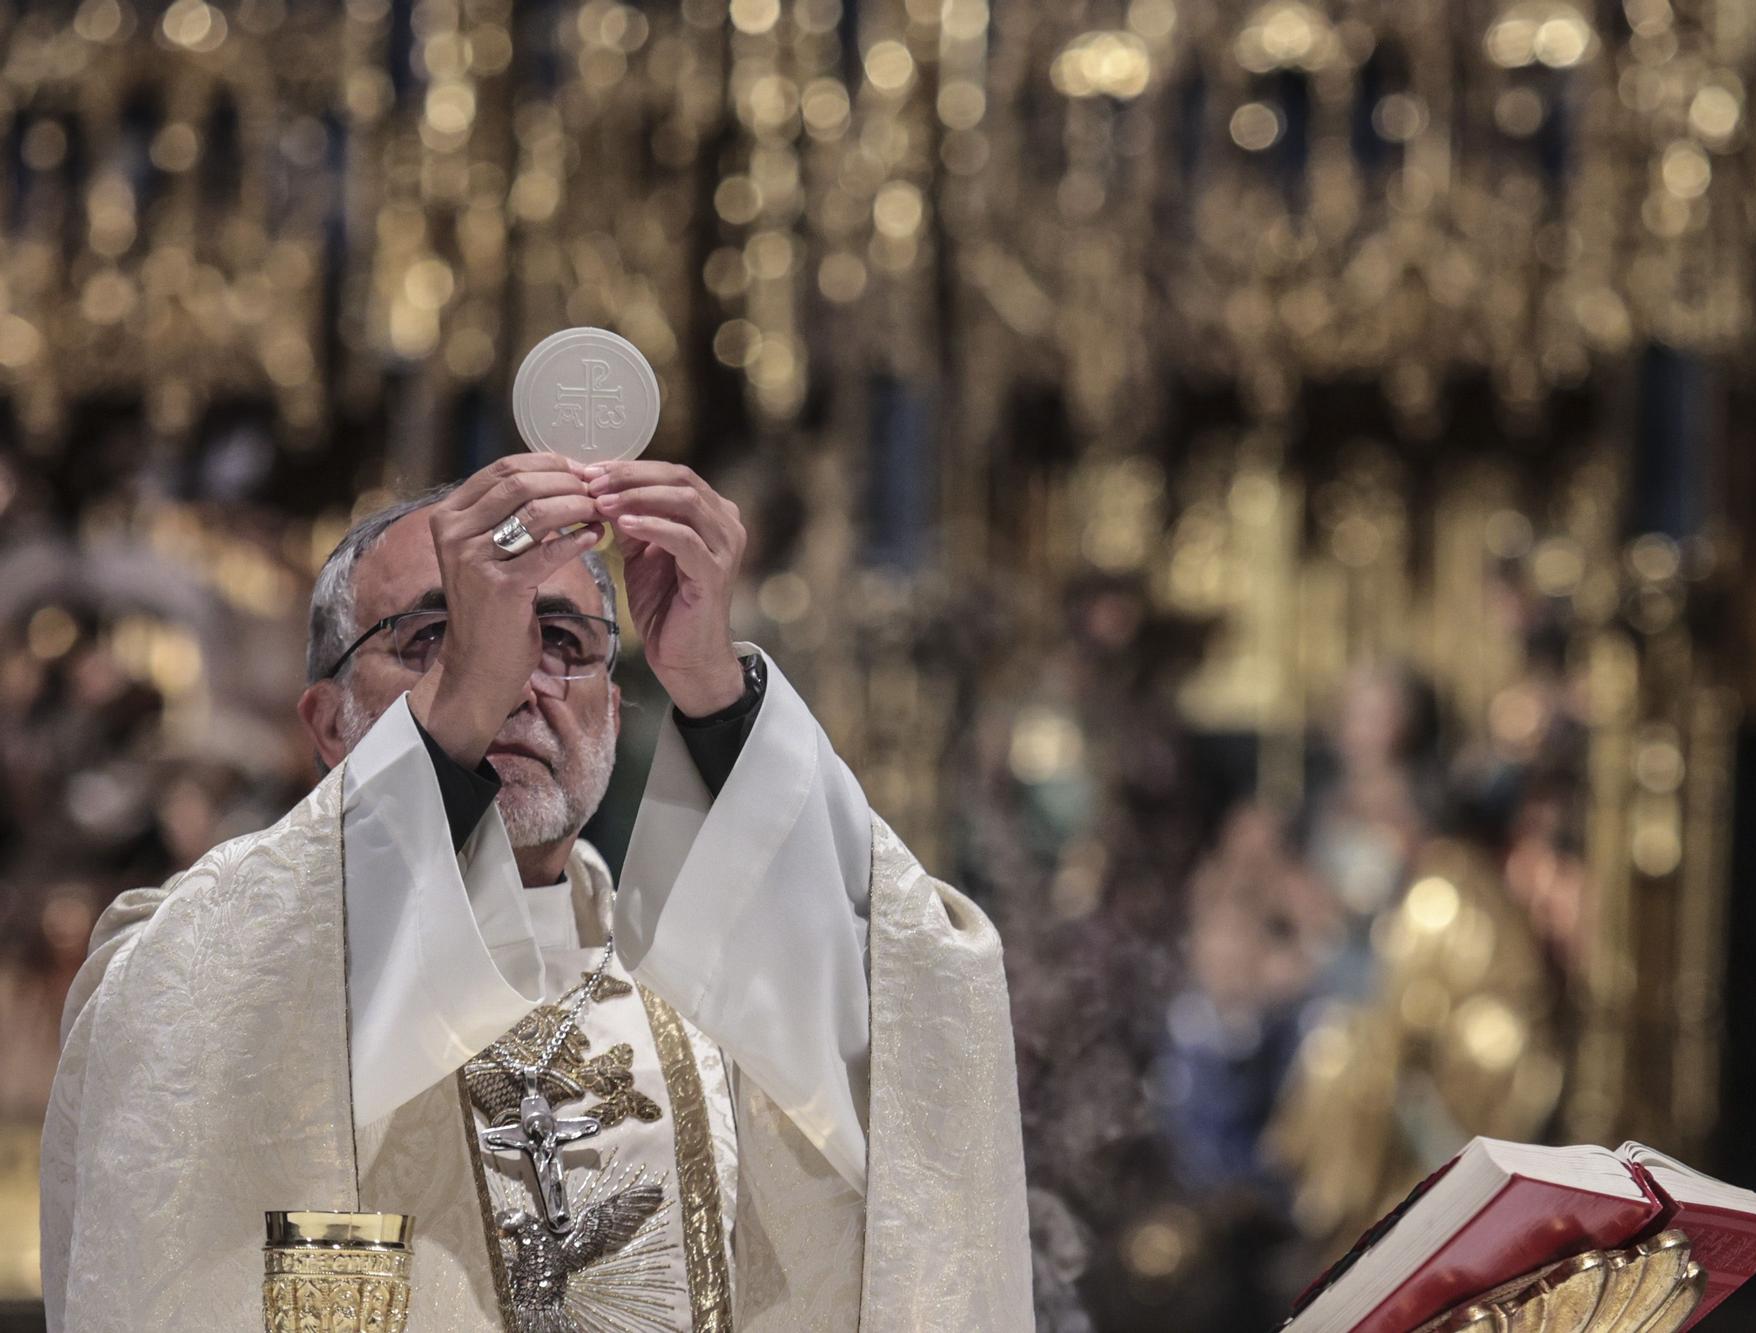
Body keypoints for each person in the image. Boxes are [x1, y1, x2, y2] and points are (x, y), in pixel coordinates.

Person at [40, 454, 1031, 1331]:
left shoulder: (726, 981)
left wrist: (717, 692)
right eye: (436, 634)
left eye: (560, 639)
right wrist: (456, 708)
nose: (513, 674)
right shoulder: (191, 960)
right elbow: (170, 1083)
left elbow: (918, 1032)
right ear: (330, 722)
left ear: (617, 698)